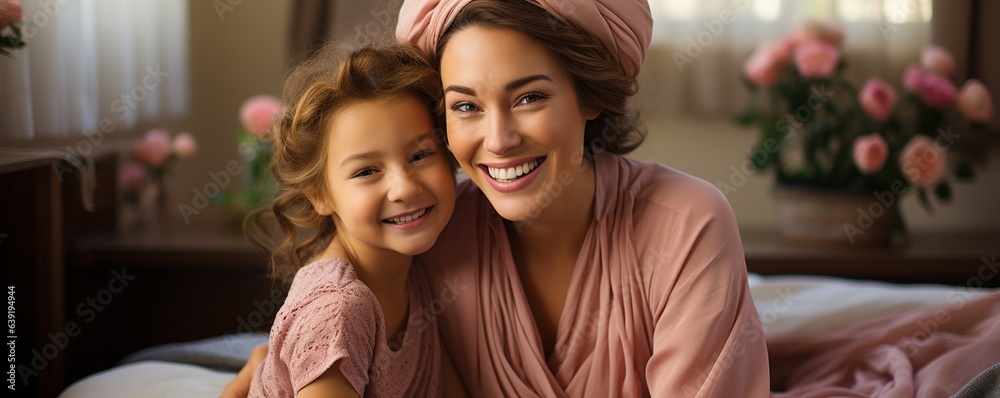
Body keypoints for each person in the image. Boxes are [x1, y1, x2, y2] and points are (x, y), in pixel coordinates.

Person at [227, 0, 770, 396]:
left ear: (589, 96)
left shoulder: (685, 223)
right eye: (466, 106)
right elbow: (337, 329)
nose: (500, 139)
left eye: (530, 97)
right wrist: (271, 362)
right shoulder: (429, 237)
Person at [229, 41, 468, 397]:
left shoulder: (414, 269)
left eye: (420, 155)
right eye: (367, 171)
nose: (403, 188)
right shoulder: (338, 310)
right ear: (319, 195)